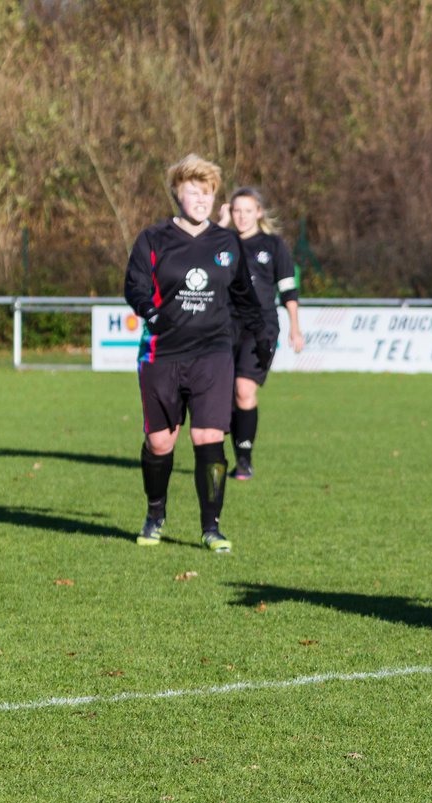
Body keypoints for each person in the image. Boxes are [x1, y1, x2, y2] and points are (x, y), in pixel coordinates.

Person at [123, 155, 274, 553]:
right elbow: (134, 285)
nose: (200, 199)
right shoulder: (153, 239)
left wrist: (260, 333)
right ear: (177, 194)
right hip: (163, 354)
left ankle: (212, 527)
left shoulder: (226, 243)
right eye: (192, 191)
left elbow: (243, 293)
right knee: (160, 443)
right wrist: (150, 311)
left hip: (212, 353)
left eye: (206, 192)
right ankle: (155, 514)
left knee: (208, 437)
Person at [217, 187, 306, 480]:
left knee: (244, 389)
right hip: (225, 325)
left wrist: (295, 326)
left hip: (261, 326)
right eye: (236, 211)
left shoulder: (273, 245)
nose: (241, 216)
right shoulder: (222, 241)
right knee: (227, 394)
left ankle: (244, 460)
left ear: (259, 212)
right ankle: (228, 452)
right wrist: (218, 226)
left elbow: (287, 288)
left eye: (247, 210)